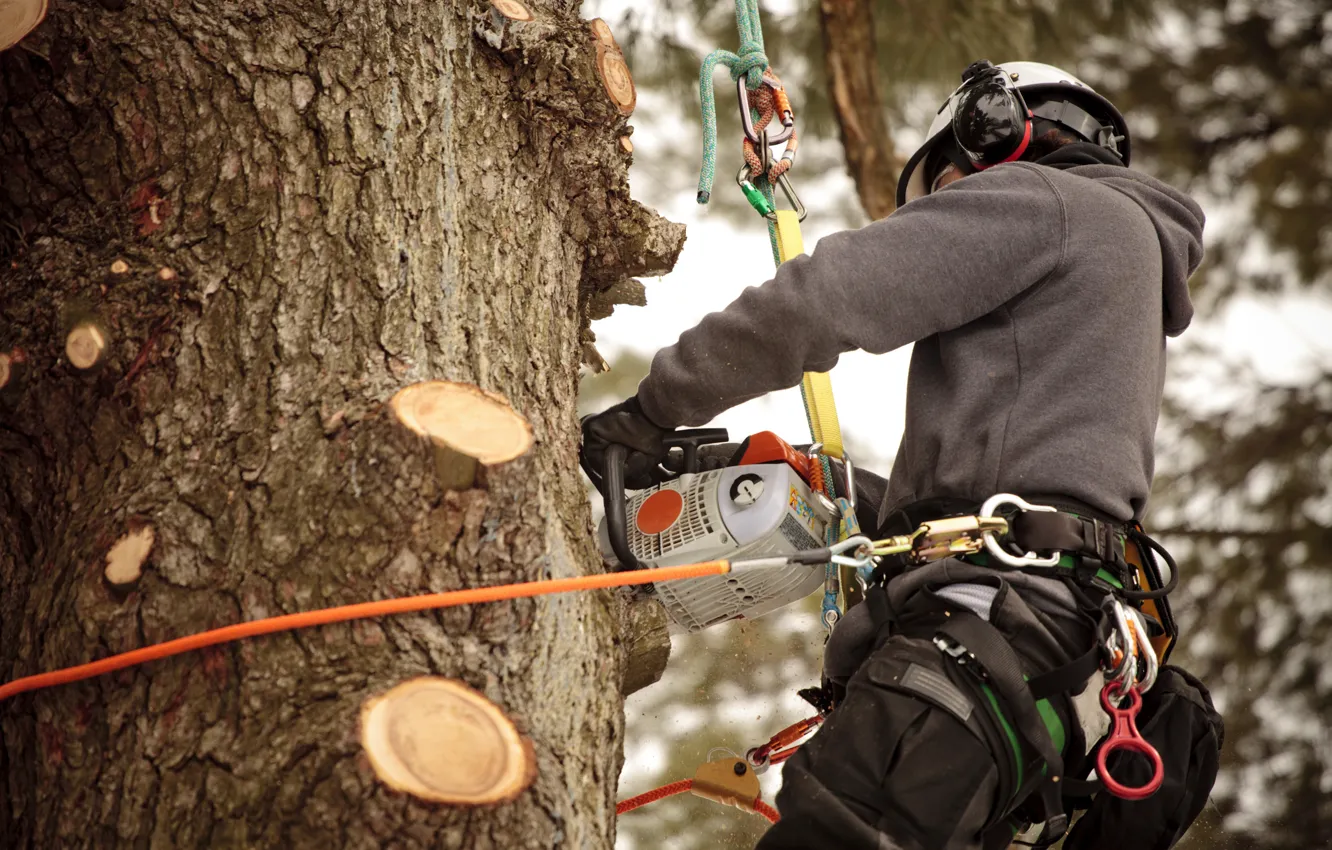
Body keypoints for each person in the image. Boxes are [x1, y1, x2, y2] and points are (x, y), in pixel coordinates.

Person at [582, 60, 1220, 848]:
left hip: (981, 644)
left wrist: (651, 412)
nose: (946, 210)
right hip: (1053, 665)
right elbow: (1027, 496)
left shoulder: (1047, 201)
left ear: (995, 134)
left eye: (945, 187)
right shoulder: (1122, 261)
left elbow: (826, 299)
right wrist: (838, 489)